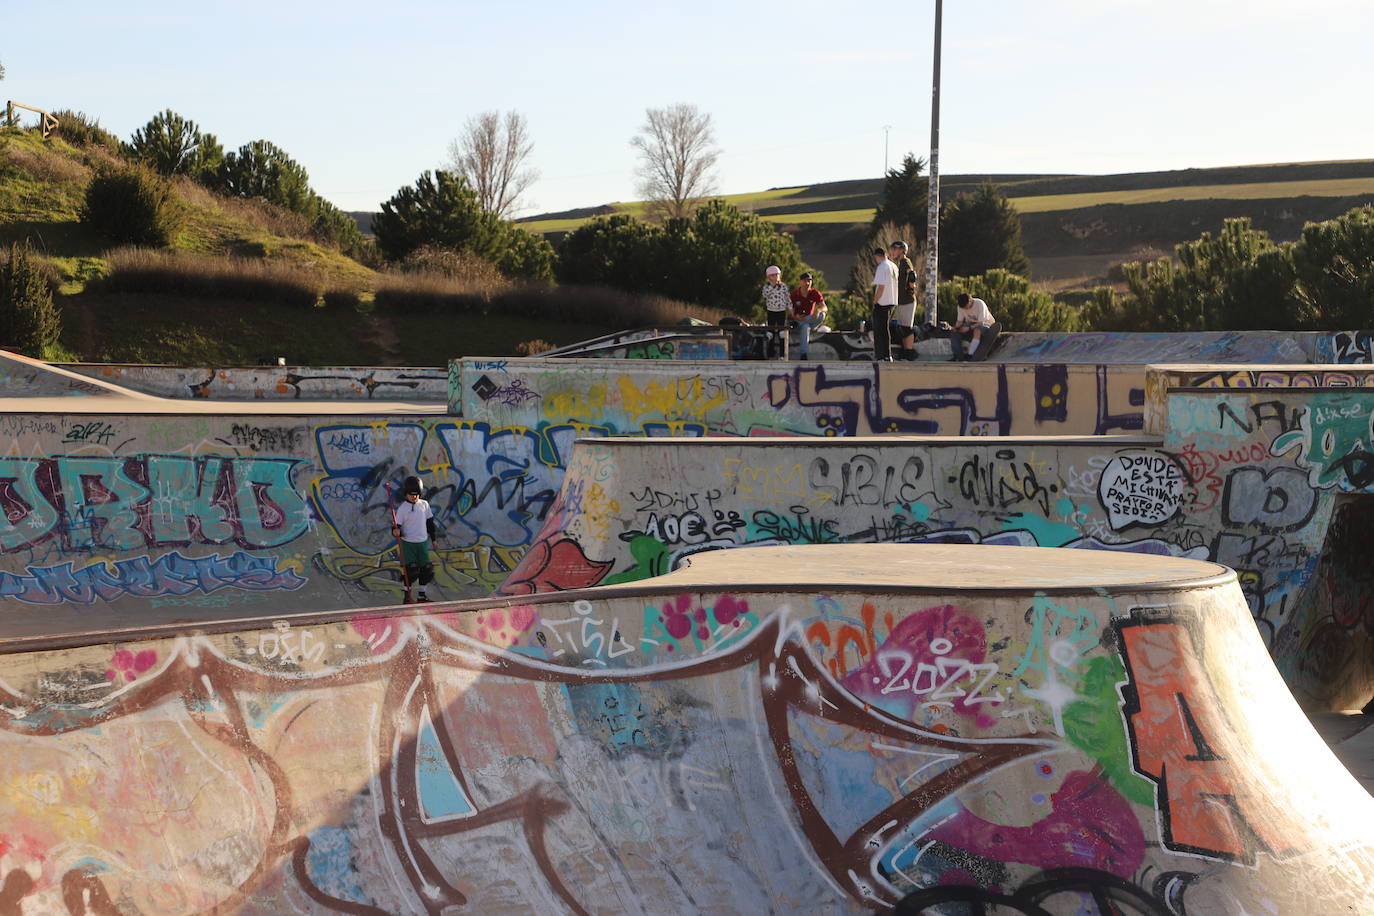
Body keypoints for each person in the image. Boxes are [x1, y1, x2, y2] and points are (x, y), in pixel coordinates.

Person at [391, 475, 437, 603]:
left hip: (422, 543)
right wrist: (395, 532)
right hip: (408, 544)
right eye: (411, 494)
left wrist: (434, 539)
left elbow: (430, 523)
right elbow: (396, 527)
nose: (414, 497)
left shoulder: (424, 505)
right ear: (406, 494)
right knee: (411, 571)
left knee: (427, 569)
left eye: (417, 494)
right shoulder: (403, 509)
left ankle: (422, 595)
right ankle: (407, 596)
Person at [950, 292, 1002, 362]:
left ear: (970, 301)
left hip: (986, 324)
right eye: (963, 308)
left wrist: (968, 328)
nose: (965, 309)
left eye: (966, 306)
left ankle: (970, 354)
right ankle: (958, 356)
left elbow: (981, 323)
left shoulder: (980, 304)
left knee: (977, 330)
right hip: (970, 324)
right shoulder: (960, 307)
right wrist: (956, 328)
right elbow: (959, 321)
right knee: (954, 333)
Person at [789, 272, 826, 360]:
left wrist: (818, 310)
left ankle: (810, 326)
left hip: (809, 319)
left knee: (822, 315)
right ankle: (803, 354)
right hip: (796, 323)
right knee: (805, 326)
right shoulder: (794, 294)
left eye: (809, 281)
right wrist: (796, 316)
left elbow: (824, 307)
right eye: (805, 281)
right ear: (800, 282)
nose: (807, 283)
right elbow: (790, 313)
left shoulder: (814, 292)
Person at [870, 248, 897, 361]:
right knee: (885, 329)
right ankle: (887, 354)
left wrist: (875, 300)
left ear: (877, 256)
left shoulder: (882, 267)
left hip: (882, 302)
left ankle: (881, 355)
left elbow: (881, 287)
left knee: (879, 329)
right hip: (892, 301)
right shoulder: (893, 266)